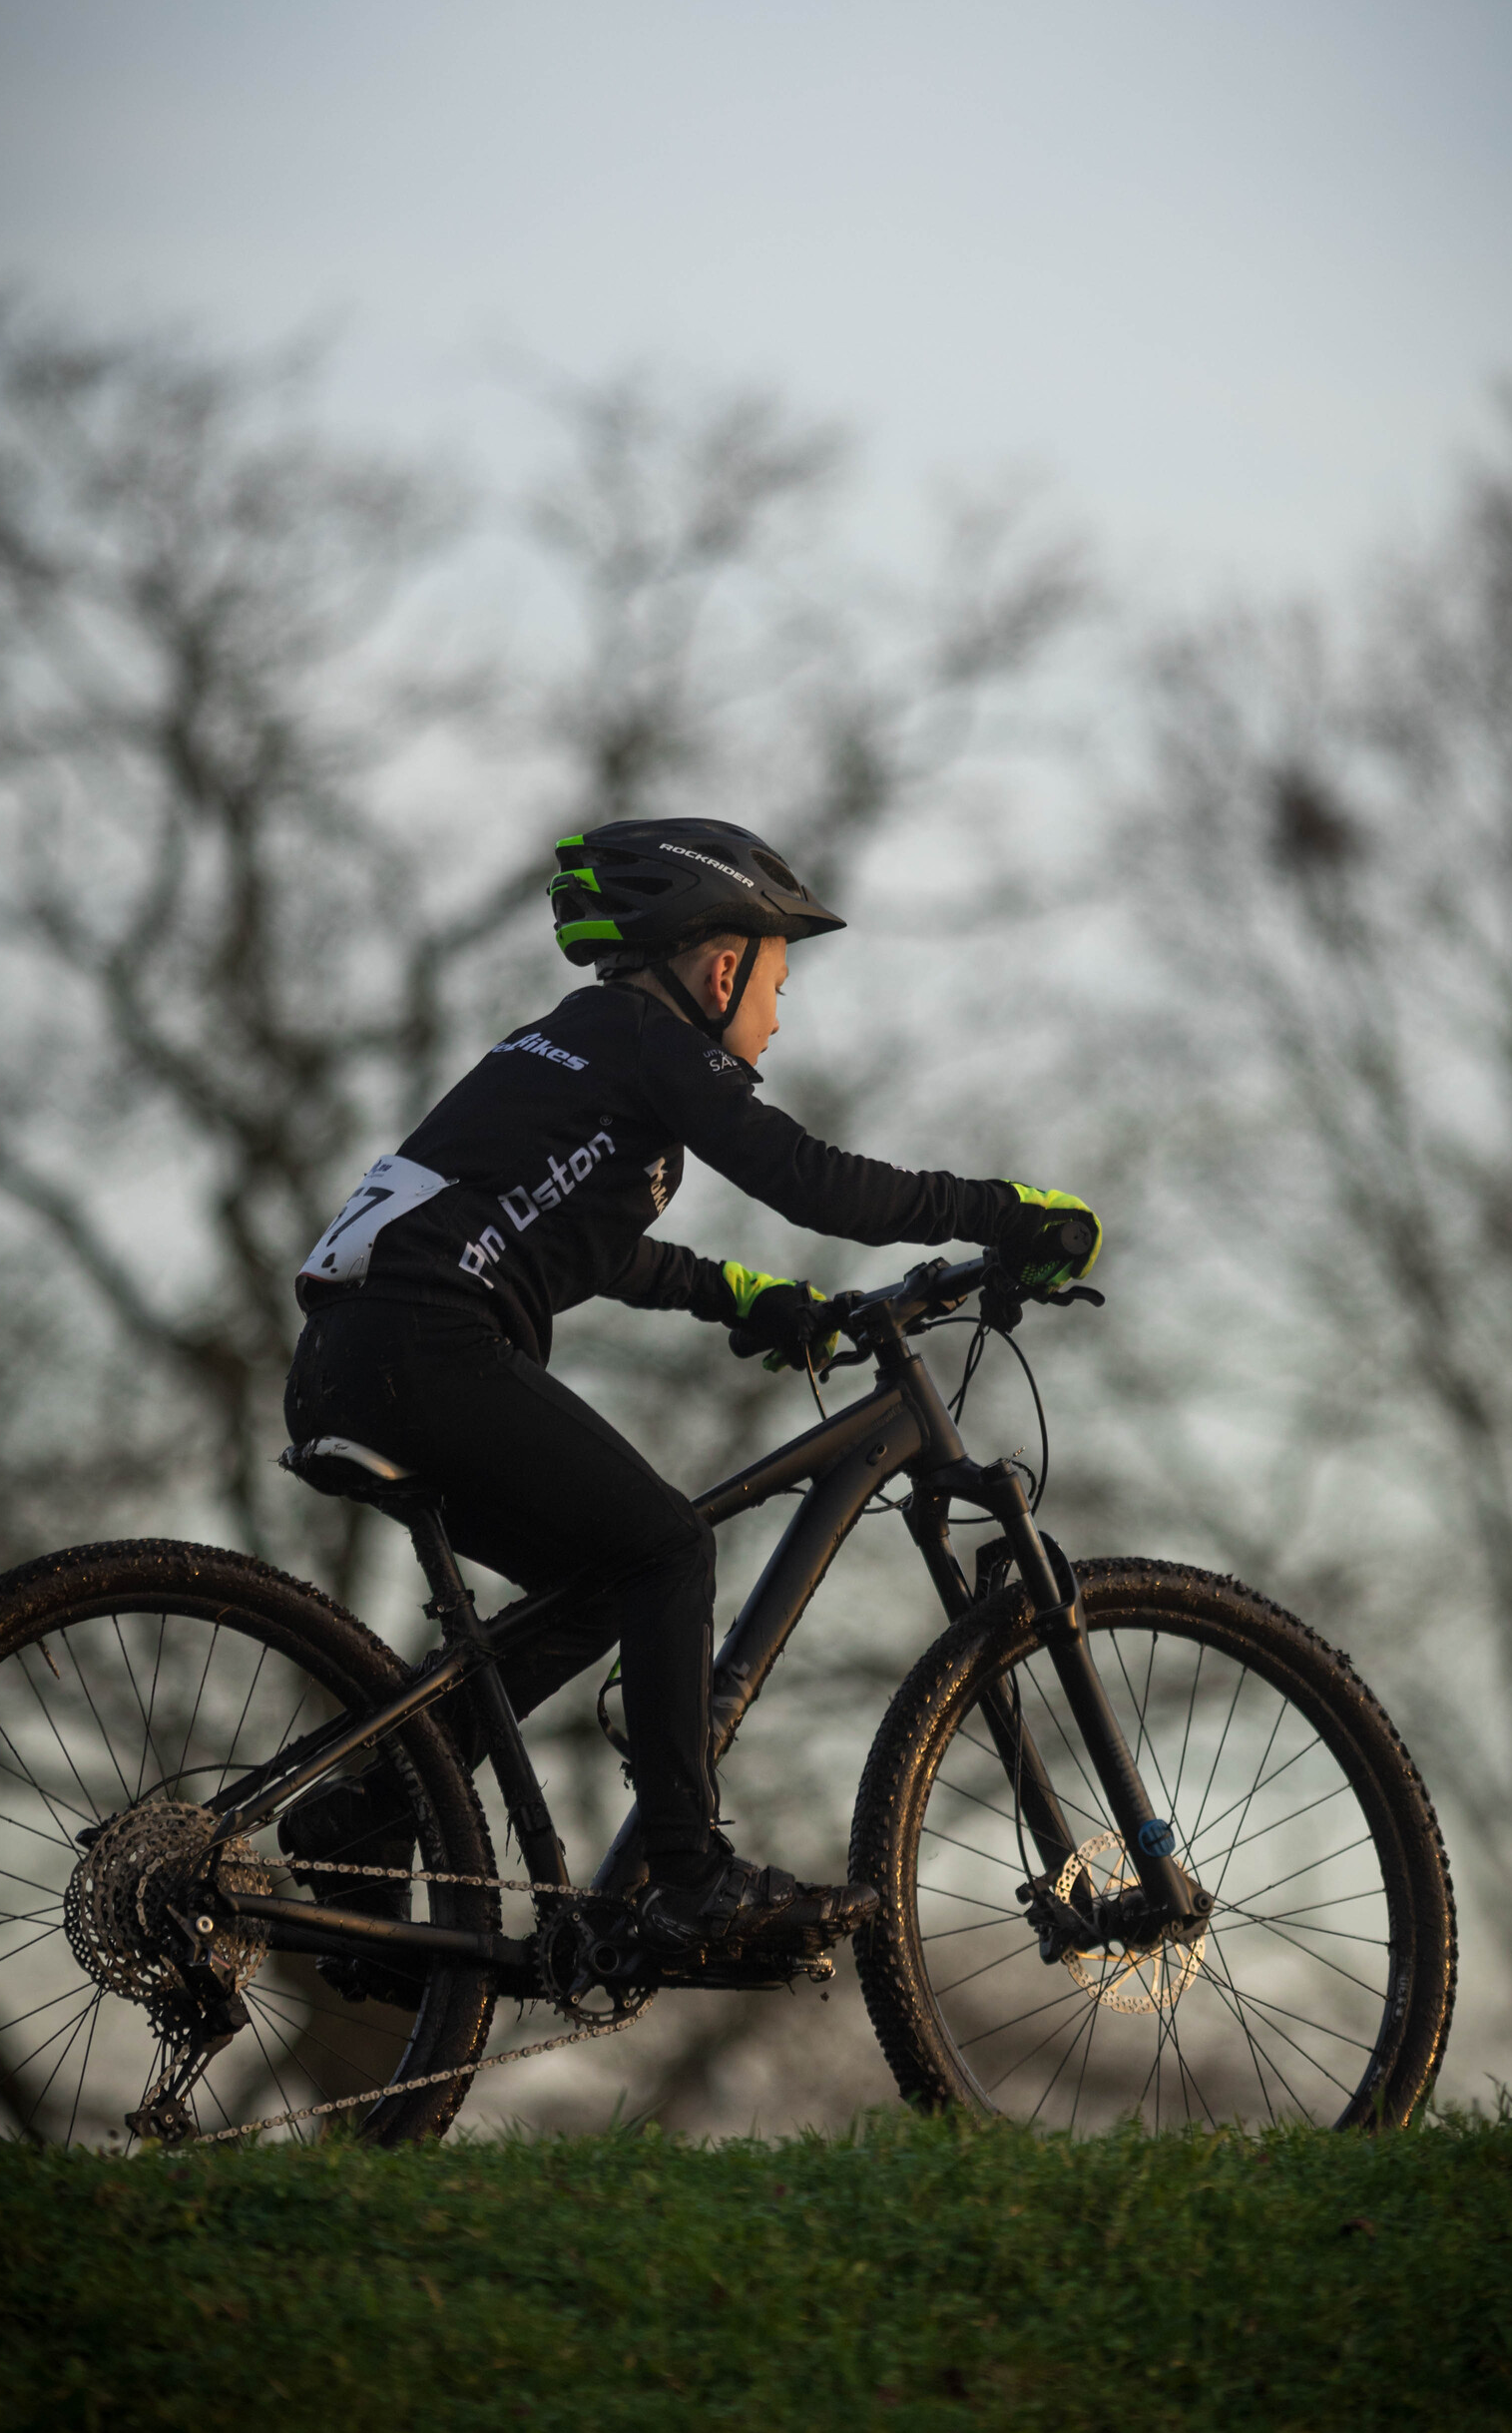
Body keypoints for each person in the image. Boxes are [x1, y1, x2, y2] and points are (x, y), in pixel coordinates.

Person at [284, 815, 1100, 1972]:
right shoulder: (645, 1038)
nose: (777, 1011)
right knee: (667, 1549)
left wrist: (746, 1298)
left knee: (598, 1580)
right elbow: (814, 1183)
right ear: (721, 967)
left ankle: (370, 1806)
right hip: (430, 1348)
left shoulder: (564, 1050)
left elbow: (583, 1244)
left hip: (350, 1359)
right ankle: (688, 1878)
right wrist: (1001, 1211)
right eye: (776, 977)